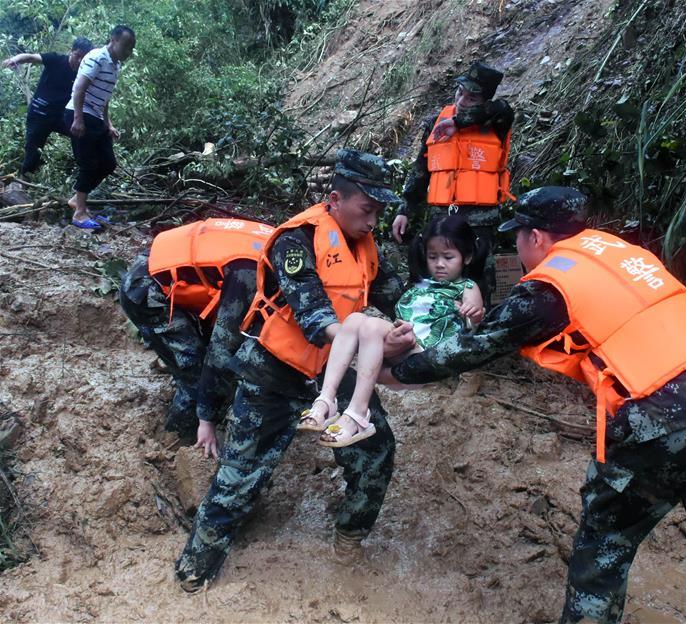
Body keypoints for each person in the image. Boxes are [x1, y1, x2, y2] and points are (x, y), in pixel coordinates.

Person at [383, 187, 686, 623]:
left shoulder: (553, 282)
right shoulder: (617, 252)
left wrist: (396, 373)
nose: (517, 248)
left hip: (664, 419)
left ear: (535, 237)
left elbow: (472, 348)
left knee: (605, 549)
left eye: (517, 237)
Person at [175, 149, 416, 591]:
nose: (374, 222)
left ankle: (349, 540)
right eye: (367, 210)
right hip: (275, 374)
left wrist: (447, 302)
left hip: (333, 373)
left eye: (380, 212)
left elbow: (397, 295)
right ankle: (195, 569)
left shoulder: (364, 244)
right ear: (335, 199)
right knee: (240, 478)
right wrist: (377, 340)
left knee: (376, 453)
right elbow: (314, 316)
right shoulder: (297, 240)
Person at [300, 214, 487, 448]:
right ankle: (327, 400)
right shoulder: (421, 284)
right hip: (403, 342)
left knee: (368, 324)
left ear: (467, 257)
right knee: (354, 320)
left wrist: (474, 313)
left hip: (426, 353)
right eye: (433, 257)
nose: (440, 264)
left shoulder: (467, 287)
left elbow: (476, 321)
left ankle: (358, 413)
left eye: (448, 257)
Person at [118, 218, 273, 450]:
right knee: (195, 372)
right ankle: (181, 440)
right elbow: (221, 347)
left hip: (162, 262)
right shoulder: (250, 272)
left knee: (214, 366)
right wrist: (206, 418)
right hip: (146, 288)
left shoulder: (278, 242)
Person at [391, 61, 515, 307]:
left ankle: (476, 336)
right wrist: (405, 209)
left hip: (480, 222)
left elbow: (503, 108)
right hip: (441, 218)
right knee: (435, 280)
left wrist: (459, 123)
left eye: (472, 97)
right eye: (460, 92)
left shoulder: (496, 120)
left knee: (479, 286)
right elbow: (420, 168)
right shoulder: (436, 122)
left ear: (485, 100)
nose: (462, 101)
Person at [64, 24, 135, 230]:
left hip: (95, 116)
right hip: (80, 114)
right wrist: (78, 119)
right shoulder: (97, 57)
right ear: (113, 39)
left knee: (108, 163)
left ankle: (77, 199)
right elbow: (79, 88)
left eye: (131, 47)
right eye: (126, 45)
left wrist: (108, 125)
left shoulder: (115, 66)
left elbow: (104, 99)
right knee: (89, 164)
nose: (128, 51)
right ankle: (79, 213)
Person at [1, 37, 93, 177]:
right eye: (77, 55)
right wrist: (15, 60)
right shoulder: (56, 59)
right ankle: (22, 184)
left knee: (80, 133)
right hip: (39, 113)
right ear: (71, 51)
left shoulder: (84, 72)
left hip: (61, 117)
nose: (80, 60)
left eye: (84, 57)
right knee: (33, 151)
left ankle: (84, 173)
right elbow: (31, 57)